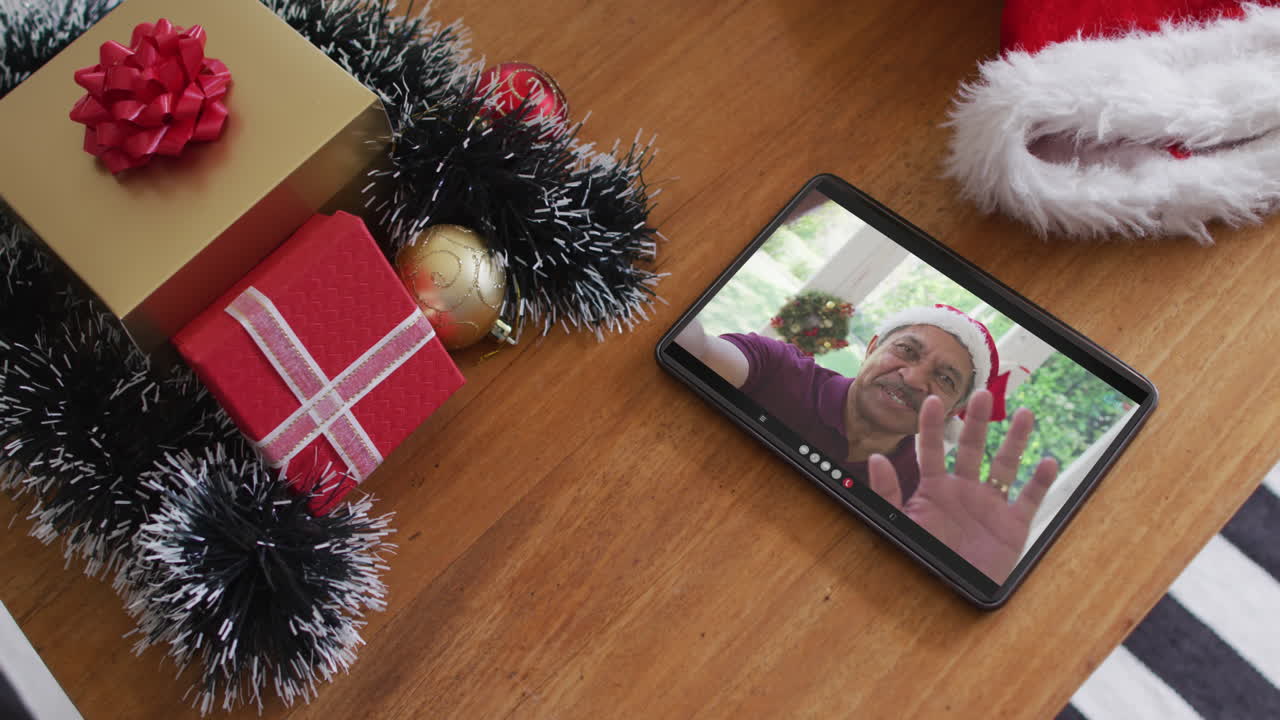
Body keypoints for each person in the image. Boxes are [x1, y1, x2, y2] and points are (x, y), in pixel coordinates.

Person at [674, 304, 1058, 583]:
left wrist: (962, 569)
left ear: (953, 411)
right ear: (873, 347)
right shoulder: (776, 368)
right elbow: (698, 351)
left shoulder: (921, 500)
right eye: (906, 351)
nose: (912, 378)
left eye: (944, 379)